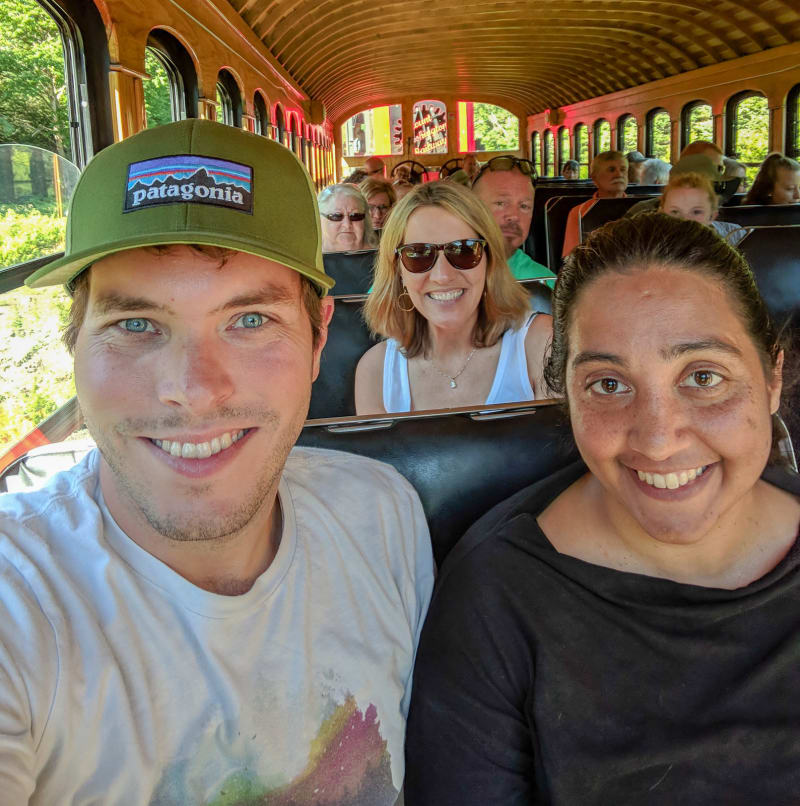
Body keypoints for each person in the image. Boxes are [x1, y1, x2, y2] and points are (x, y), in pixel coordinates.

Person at [0, 120, 434, 804]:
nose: (197, 390)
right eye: (135, 324)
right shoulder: (17, 602)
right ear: (73, 343)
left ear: (319, 338)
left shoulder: (381, 517)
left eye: (250, 321)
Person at [406, 211, 800, 804]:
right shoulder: (496, 598)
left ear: (772, 376)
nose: (659, 438)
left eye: (702, 376)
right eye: (609, 385)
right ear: (565, 394)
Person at [354, 182, 553, 415]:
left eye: (464, 250)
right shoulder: (375, 372)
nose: (443, 276)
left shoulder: (539, 345)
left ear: (489, 261)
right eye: (418, 254)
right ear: (398, 270)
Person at [471, 156, 557, 286]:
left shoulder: (546, 285)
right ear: (472, 209)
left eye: (524, 206)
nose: (514, 216)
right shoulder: (443, 275)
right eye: (501, 203)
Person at [562, 150, 628, 256]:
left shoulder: (642, 209)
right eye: (611, 170)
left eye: (623, 169)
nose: (619, 174)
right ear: (595, 178)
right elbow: (570, 259)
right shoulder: (579, 213)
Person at [659, 171, 747, 245]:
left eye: (696, 212)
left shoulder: (737, 235)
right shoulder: (650, 245)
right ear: (662, 214)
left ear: (712, 216)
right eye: (675, 212)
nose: (685, 220)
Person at [318, 182, 377, 251]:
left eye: (355, 215)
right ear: (319, 220)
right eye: (337, 216)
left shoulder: (382, 258)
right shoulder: (307, 259)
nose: (347, 225)